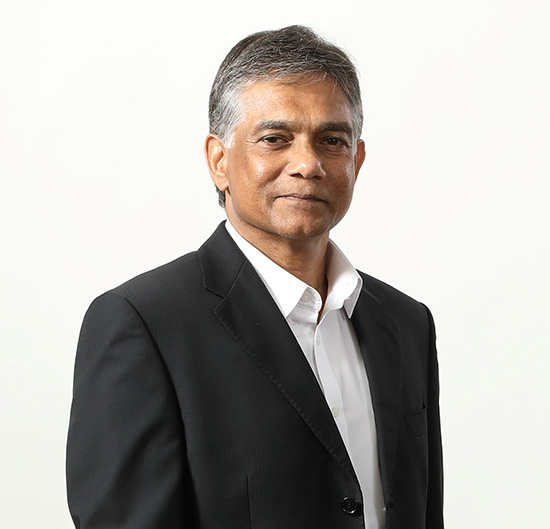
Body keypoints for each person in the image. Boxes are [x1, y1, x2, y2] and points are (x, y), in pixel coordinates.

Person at [66, 25, 444, 529]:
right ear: (219, 161)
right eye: (275, 139)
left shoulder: (406, 322)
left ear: (356, 160)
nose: (307, 164)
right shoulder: (144, 325)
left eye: (332, 140)